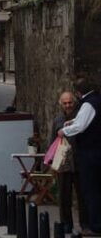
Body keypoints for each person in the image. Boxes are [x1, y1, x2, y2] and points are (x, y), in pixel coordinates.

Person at [58, 77, 101, 236]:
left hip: (90, 154)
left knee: (91, 190)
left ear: (78, 93)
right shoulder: (96, 100)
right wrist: (73, 122)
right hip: (95, 151)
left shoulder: (89, 103)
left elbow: (82, 125)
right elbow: (85, 119)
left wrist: (65, 131)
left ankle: (95, 225)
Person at [51, 91, 85, 234]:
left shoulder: (81, 117)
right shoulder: (58, 119)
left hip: (79, 163)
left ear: (74, 102)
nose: (68, 105)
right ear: (61, 104)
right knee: (64, 196)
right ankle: (66, 223)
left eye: (70, 102)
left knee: (82, 196)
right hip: (64, 164)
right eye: (65, 103)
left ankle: (85, 224)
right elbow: (53, 139)